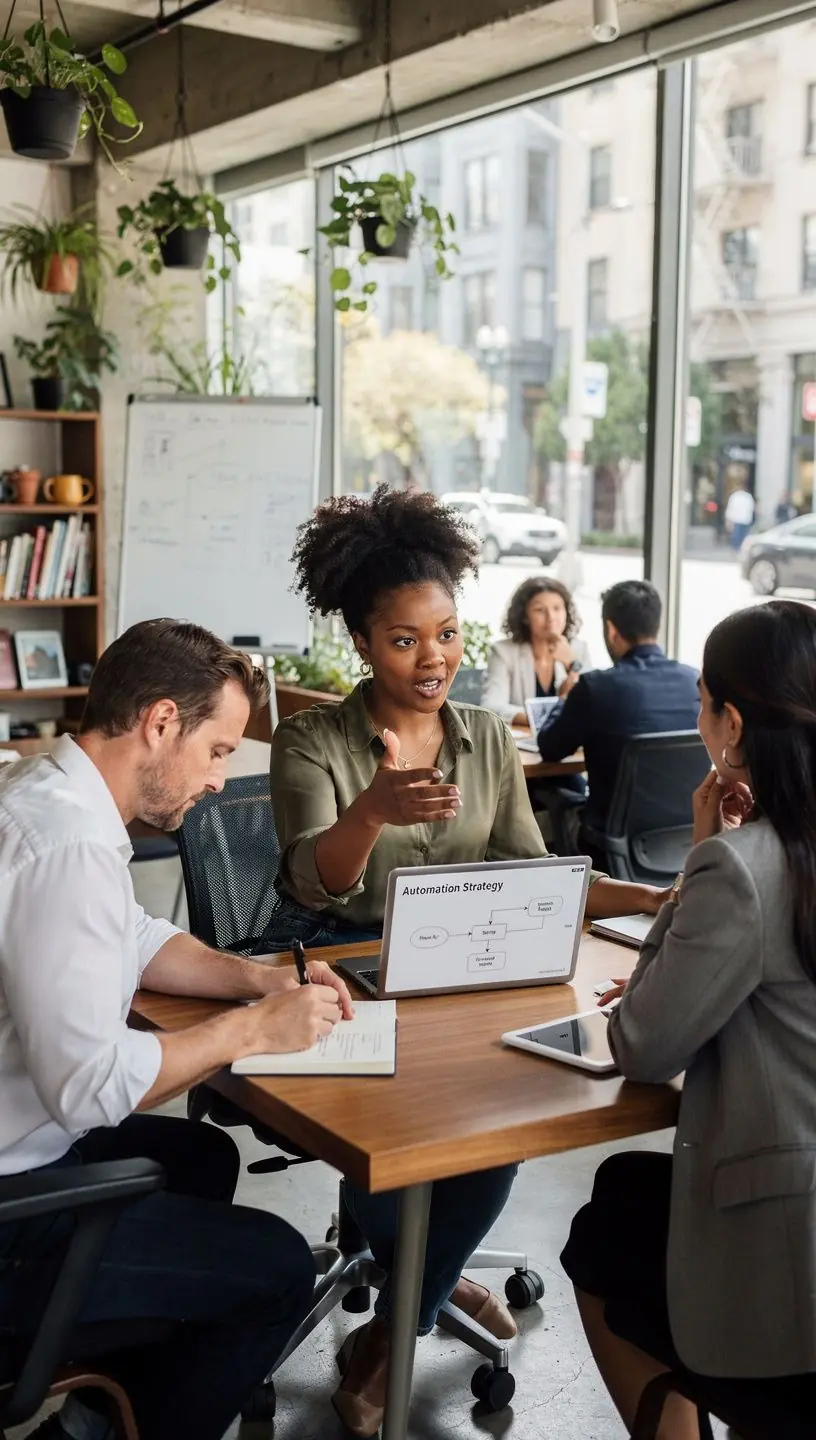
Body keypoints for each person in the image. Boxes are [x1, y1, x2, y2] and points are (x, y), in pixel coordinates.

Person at [265, 486, 673, 1437]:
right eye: (405, 640)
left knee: (504, 1128)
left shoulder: (488, 737)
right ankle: (421, 1300)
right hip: (350, 983)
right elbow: (309, 883)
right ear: (362, 642)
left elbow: (540, 874)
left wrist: (650, 897)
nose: (433, 658)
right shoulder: (312, 739)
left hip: (472, 987)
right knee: (396, 1150)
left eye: (447, 634)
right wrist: (373, 812)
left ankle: (392, 1327)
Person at [2, 619, 356, 1440]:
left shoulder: (48, 794)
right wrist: (253, 1032)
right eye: (221, 750)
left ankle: (102, 1410)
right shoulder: (67, 846)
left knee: (200, 1155)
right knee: (273, 1270)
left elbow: (130, 935)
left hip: (20, 1146)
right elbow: (89, 1087)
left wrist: (258, 979)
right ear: (161, 723)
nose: (218, 780)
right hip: (12, 1211)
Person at [561, 599, 816, 1439]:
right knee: (626, 1196)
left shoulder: (745, 869)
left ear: (731, 723)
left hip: (793, 1264)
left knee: (603, 1238)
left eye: (703, 700)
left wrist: (701, 862)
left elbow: (642, 1043)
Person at [536, 580, 699, 838]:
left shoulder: (595, 687)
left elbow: (549, 747)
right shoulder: (696, 683)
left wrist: (565, 697)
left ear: (611, 630)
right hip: (683, 841)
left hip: (610, 844)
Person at [483, 575, 590, 726]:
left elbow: (593, 705)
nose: (551, 617)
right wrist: (543, 720)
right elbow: (491, 707)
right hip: (522, 743)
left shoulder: (579, 648)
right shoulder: (503, 651)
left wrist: (572, 664)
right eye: (540, 610)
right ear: (525, 616)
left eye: (557, 608)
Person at [724, 481, 755, 550]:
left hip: (737, 519)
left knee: (736, 537)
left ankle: (736, 549)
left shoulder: (734, 496)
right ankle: (741, 549)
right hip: (746, 519)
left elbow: (730, 509)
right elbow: (752, 508)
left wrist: (728, 521)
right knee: (743, 537)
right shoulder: (748, 497)